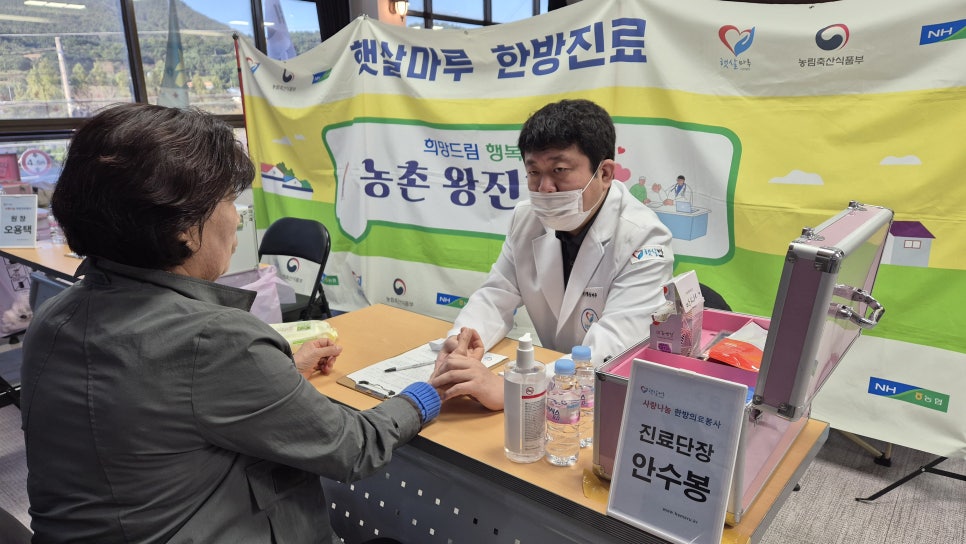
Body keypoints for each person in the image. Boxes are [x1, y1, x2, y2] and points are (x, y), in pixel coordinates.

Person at [20, 103, 440, 544]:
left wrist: (278, 374)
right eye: (226, 200)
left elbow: (158, 408)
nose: (237, 216)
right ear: (184, 227)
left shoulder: (54, 315)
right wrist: (432, 390)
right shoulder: (216, 340)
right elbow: (353, 448)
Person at [431, 99, 674, 410]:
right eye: (534, 172)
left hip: (610, 401)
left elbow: (613, 349)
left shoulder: (644, 236)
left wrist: (516, 389)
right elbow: (495, 296)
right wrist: (461, 344)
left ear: (604, 173)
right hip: (555, 392)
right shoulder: (526, 218)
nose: (545, 188)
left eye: (559, 170)